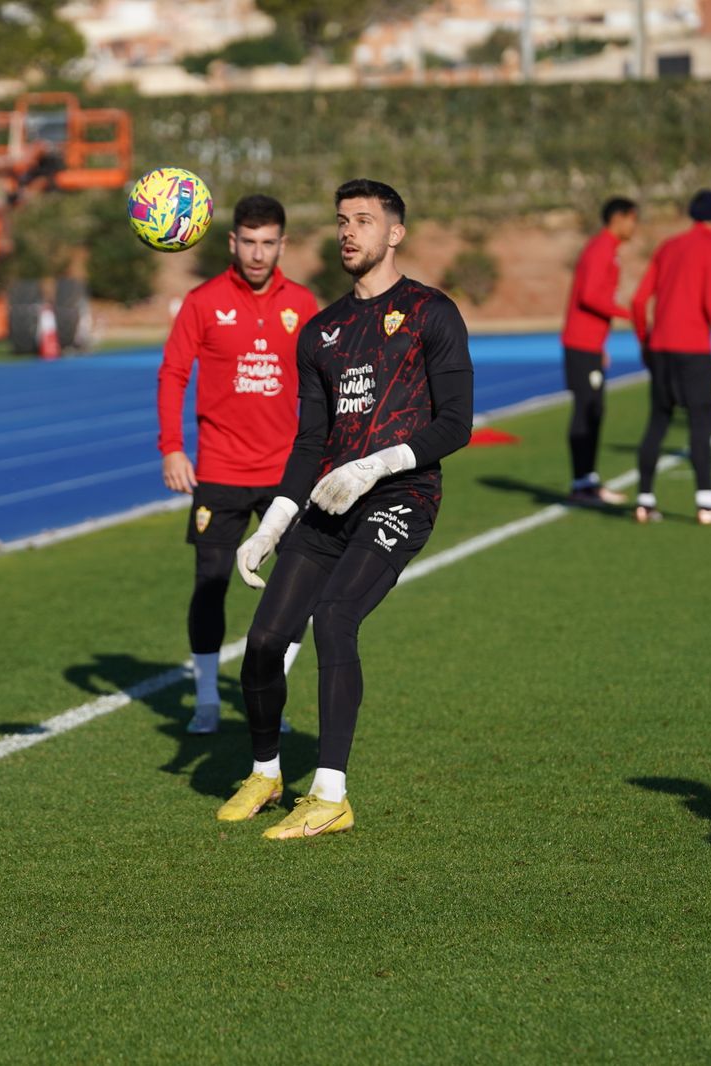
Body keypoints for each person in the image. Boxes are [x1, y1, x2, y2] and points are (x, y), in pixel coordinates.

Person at [228, 179, 474, 839]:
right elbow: (311, 443)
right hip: (329, 500)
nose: (348, 232)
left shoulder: (431, 313)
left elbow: (457, 425)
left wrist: (380, 463)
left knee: (335, 618)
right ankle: (266, 772)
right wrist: (273, 525)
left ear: (395, 233)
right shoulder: (321, 332)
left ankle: (331, 795)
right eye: (341, 220)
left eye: (364, 221)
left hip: (401, 495)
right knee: (261, 643)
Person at [157, 195, 319, 735]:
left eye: (267, 242)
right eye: (248, 242)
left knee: (300, 589)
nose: (257, 253)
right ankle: (206, 700)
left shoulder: (304, 303)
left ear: (282, 244)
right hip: (220, 471)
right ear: (232, 242)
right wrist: (172, 447)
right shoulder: (202, 302)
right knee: (210, 584)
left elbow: (328, 385)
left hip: (286, 474)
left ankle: (268, 693)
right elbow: (173, 374)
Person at [629, 189, 711, 528]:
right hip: (693, 348)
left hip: (661, 346)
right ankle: (707, 502)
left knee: (658, 421)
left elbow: (639, 302)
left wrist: (645, 340)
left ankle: (645, 499)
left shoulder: (668, 246)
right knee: (701, 423)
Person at [560, 197, 637, 505]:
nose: (635, 226)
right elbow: (589, 295)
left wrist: (600, 345)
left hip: (590, 344)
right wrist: (626, 313)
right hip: (580, 343)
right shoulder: (600, 248)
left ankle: (589, 479)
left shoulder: (608, 250)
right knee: (585, 409)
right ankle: (581, 483)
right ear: (618, 218)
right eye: (633, 219)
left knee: (595, 411)